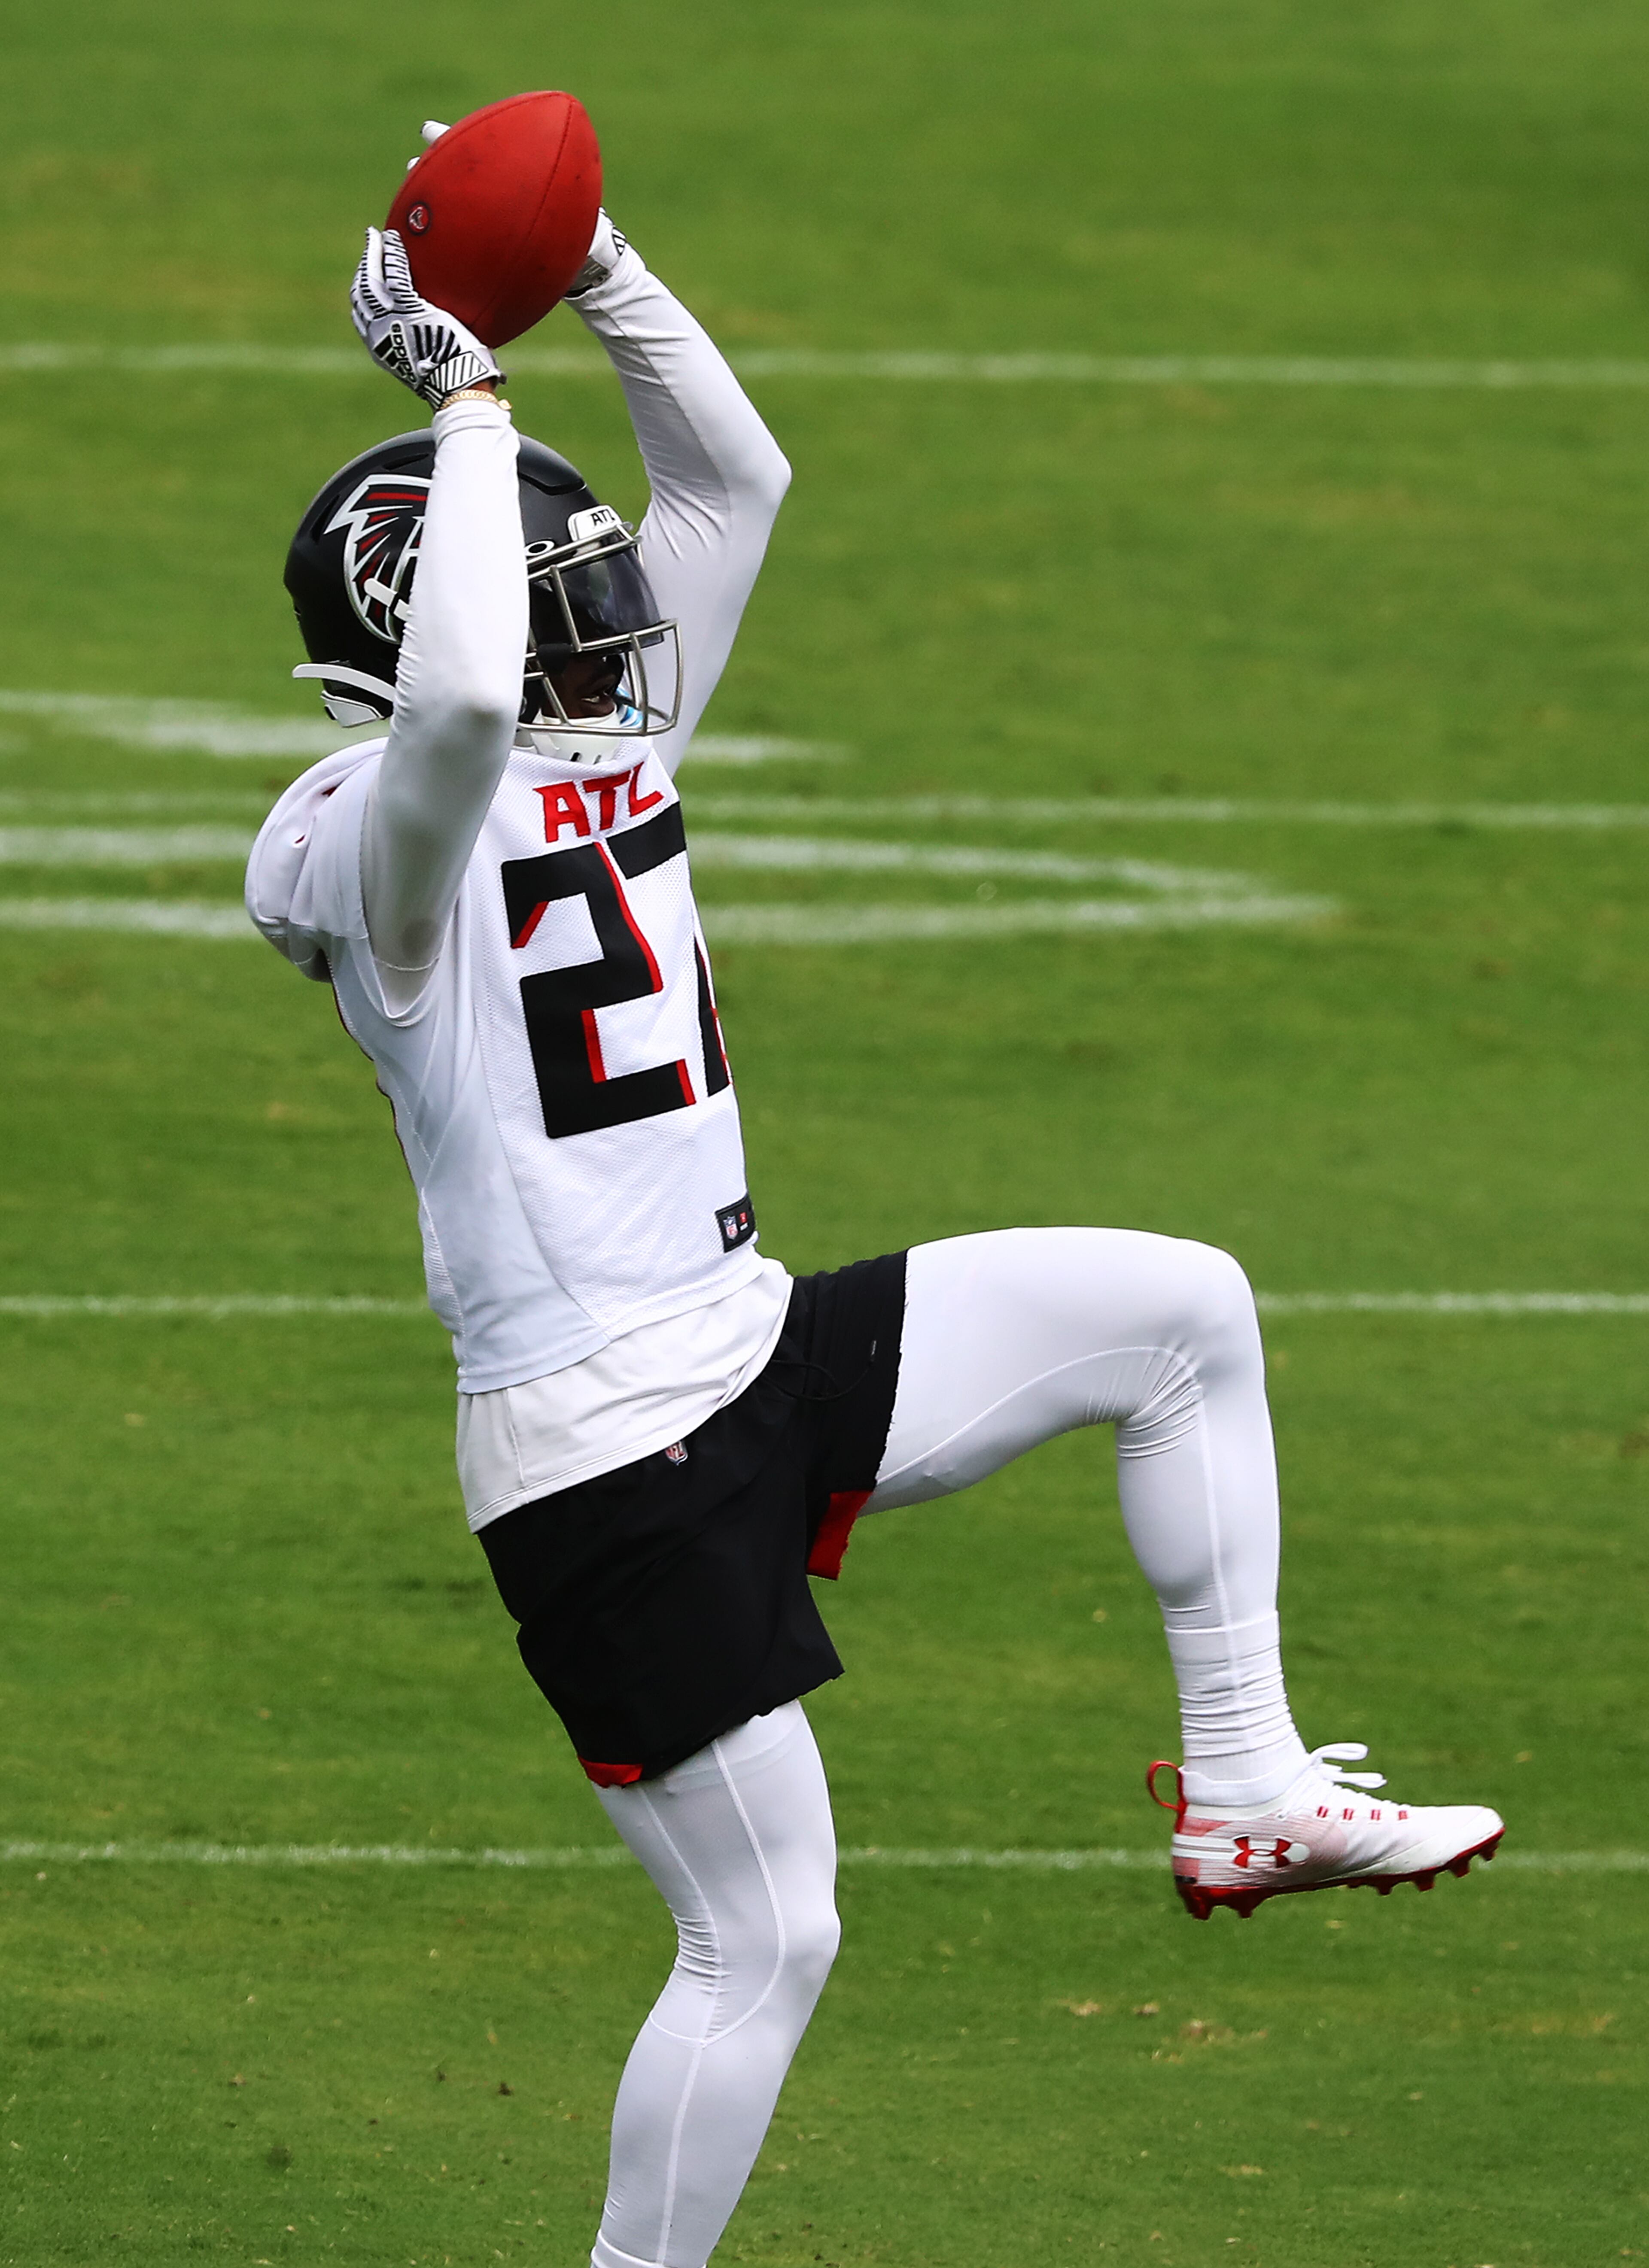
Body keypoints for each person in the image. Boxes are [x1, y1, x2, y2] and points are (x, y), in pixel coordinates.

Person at [247, 188, 1503, 2268]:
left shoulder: (600, 722)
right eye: (552, 585)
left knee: (1183, 1313)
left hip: (748, 1343)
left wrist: (596, 265)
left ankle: (1248, 1780)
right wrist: (468, 394)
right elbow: (456, 714)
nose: (598, 618)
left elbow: (738, 483)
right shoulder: (360, 845)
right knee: (769, 1939)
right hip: (599, 1456)